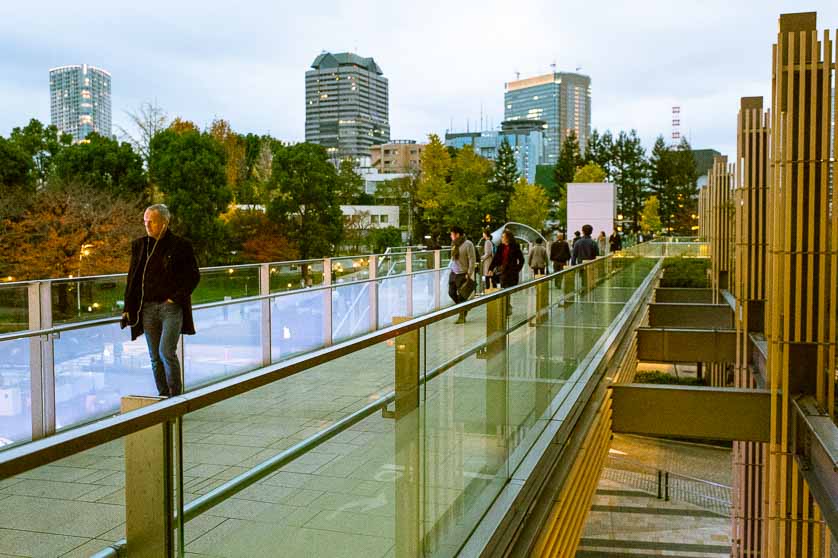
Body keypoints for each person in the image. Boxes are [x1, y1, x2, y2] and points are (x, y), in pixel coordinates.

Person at [121, 204, 200, 397]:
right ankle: (163, 396)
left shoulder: (181, 246)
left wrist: (175, 299)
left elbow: (193, 276)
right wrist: (127, 308)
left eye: (152, 221)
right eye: (145, 221)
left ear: (164, 223)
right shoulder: (140, 246)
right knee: (154, 356)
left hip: (170, 308)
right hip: (147, 308)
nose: (147, 225)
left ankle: (175, 396)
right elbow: (132, 278)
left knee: (166, 351)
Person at [448, 225, 476, 324]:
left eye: (452, 234)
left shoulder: (468, 244)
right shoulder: (454, 244)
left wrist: (469, 272)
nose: (451, 236)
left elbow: (472, 259)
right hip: (453, 272)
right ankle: (464, 308)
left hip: (462, 273)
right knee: (451, 292)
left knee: (462, 295)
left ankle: (461, 315)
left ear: (457, 234)